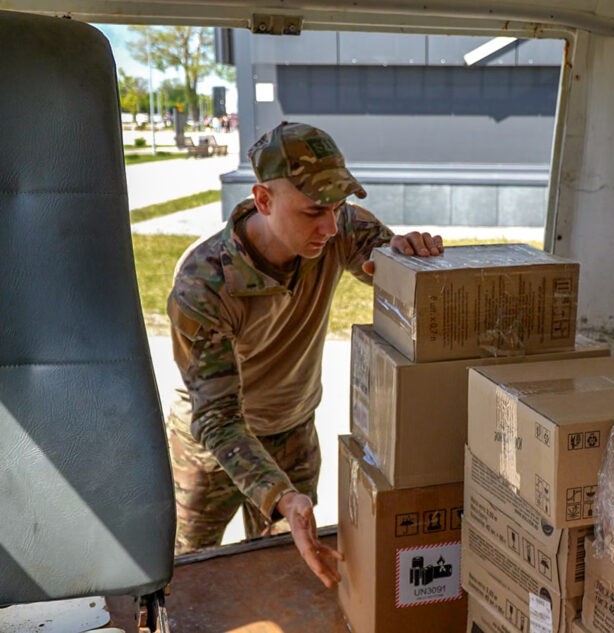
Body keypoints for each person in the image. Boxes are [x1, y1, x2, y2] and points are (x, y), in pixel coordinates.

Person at [166, 121, 443, 588]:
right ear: (263, 200)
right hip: (213, 449)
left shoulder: (339, 228)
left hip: (292, 429)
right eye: (314, 210)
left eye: (337, 207)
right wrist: (278, 494)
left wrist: (404, 257)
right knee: (194, 572)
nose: (330, 226)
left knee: (292, 567)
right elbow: (216, 418)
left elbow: (381, 258)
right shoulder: (204, 285)